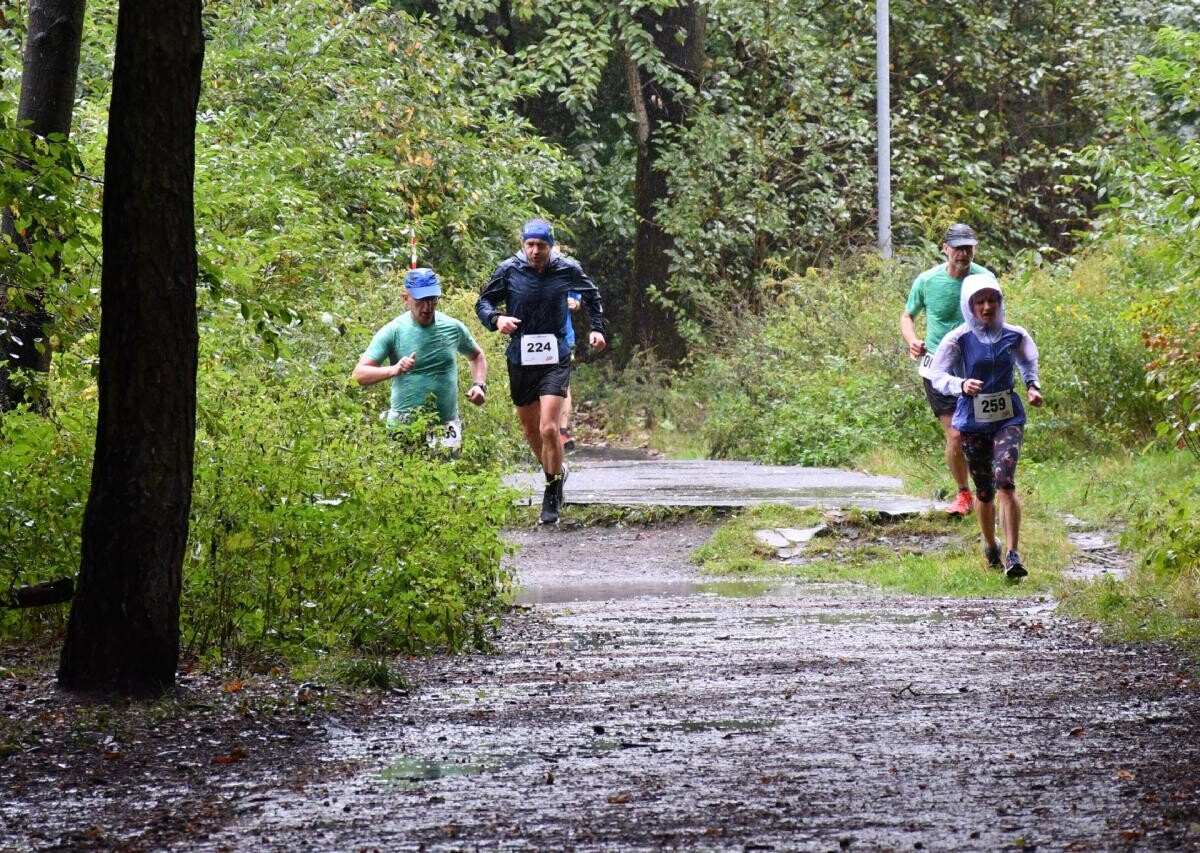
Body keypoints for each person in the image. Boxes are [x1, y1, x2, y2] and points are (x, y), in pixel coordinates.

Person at [475, 219, 606, 525]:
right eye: (530, 245)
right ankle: (556, 472)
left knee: (549, 428)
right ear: (523, 244)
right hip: (520, 357)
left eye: (541, 246)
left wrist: (597, 329)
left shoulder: (567, 268)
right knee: (531, 430)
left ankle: (551, 491)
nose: (535, 251)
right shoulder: (509, 269)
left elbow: (592, 295)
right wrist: (496, 320)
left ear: (551, 246)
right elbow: (484, 302)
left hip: (555, 355)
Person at [928, 273, 1043, 580]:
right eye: (980, 302)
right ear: (970, 306)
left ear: (1000, 303)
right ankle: (991, 545)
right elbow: (937, 376)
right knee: (984, 490)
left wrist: (1032, 386)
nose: (987, 307)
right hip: (973, 421)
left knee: (1005, 481)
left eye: (992, 300)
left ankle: (1013, 554)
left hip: (1008, 418)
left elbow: (1027, 361)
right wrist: (961, 384)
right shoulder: (957, 339)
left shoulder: (1014, 334)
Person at [900, 223, 993, 516]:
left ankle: (988, 490)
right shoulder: (927, 280)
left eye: (968, 248)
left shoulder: (984, 279)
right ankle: (963, 494)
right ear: (945, 249)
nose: (963, 254)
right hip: (938, 369)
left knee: (981, 432)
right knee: (955, 434)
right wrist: (913, 341)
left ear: (974, 249)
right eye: (957, 248)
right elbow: (907, 316)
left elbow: (996, 317)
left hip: (976, 366)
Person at [352, 267, 487, 452]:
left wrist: (479, 385)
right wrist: (394, 370)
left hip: (446, 425)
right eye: (421, 300)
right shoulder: (393, 331)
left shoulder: (452, 327)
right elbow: (358, 375)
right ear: (406, 298)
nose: (428, 307)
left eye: (432, 299)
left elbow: (476, 355)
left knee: (448, 470)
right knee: (403, 470)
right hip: (404, 423)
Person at [558, 291, 581, 451]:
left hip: (564, 337)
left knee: (563, 383)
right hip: (535, 336)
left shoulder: (569, 275)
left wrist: (574, 303)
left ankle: (562, 431)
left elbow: (576, 300)